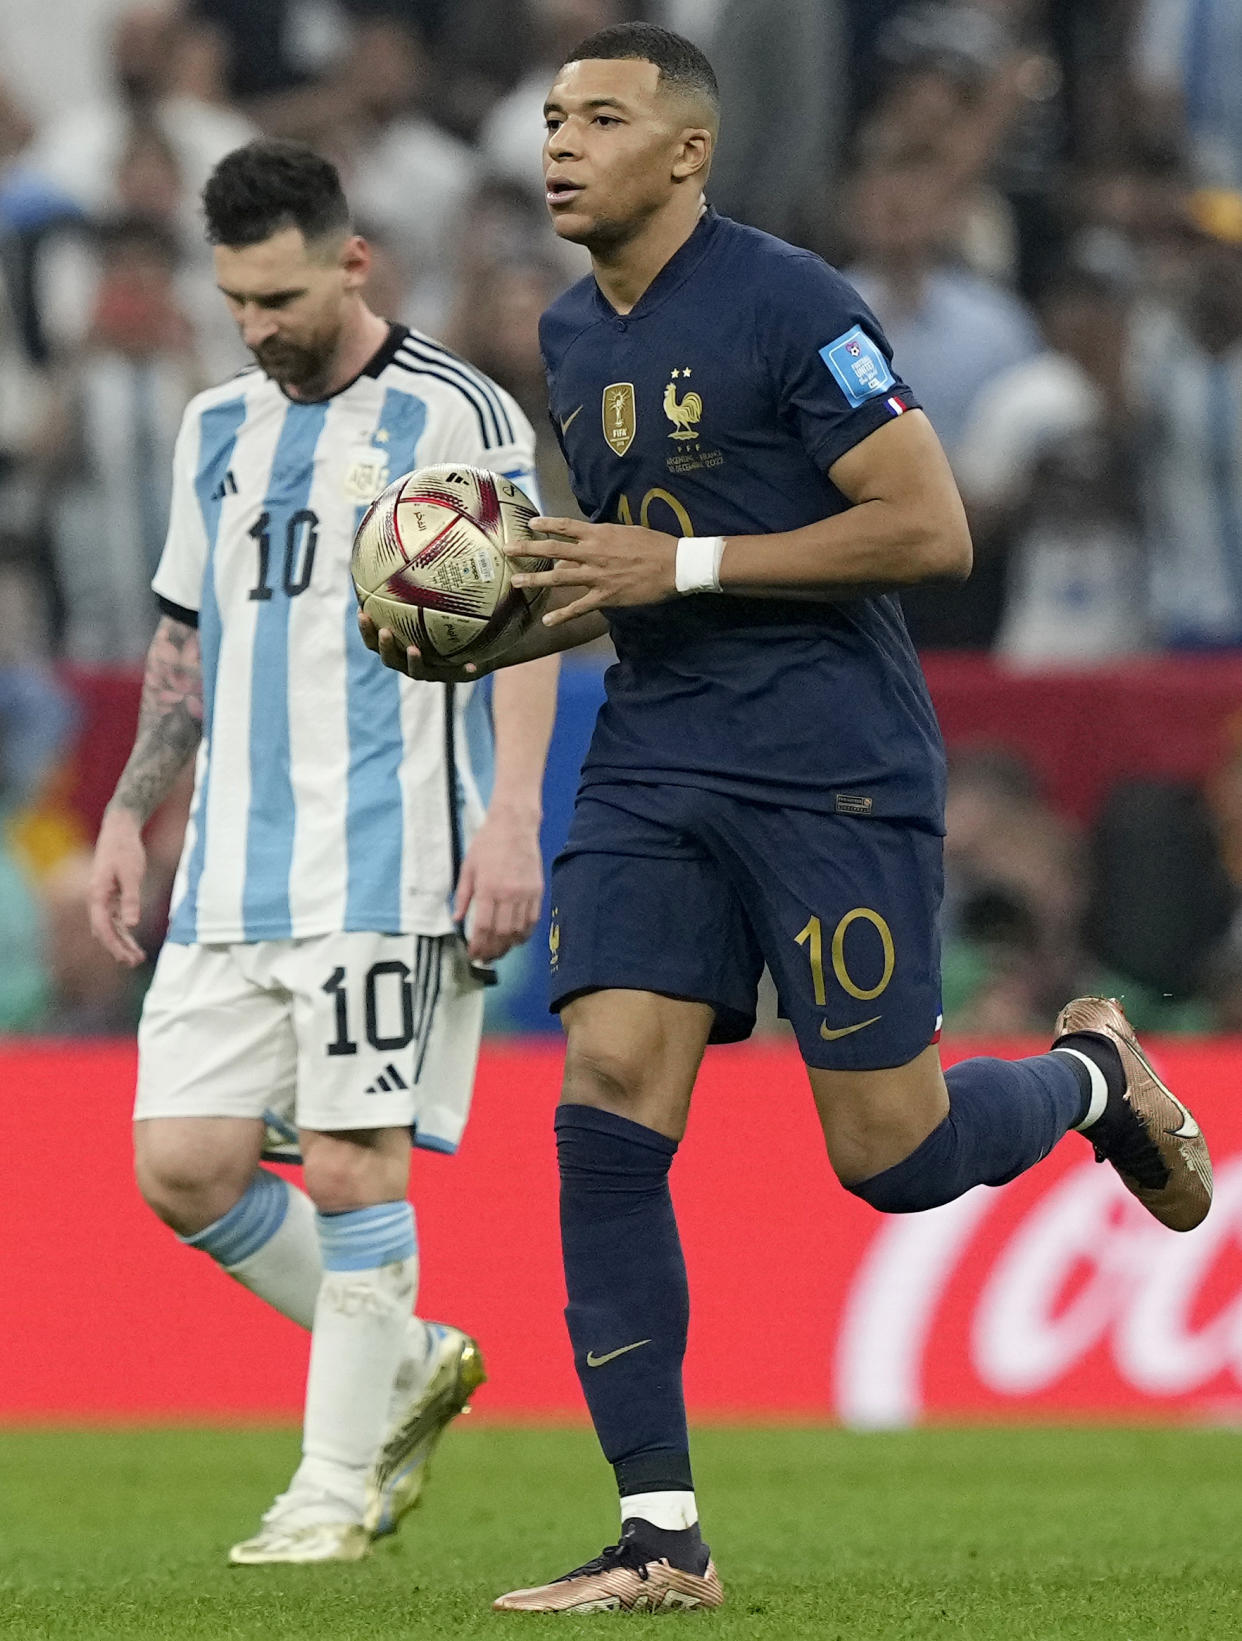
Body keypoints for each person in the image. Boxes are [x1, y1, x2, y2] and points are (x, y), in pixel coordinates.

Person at [362, 24, 1213, 1616]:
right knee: (606, 1090)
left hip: (830, 762)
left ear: (685, 153)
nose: (560, 144)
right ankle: (658, 1534)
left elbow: (927, 523)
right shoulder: (571, 330)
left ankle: (1091, 1073)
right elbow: (632, 567)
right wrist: (485, 617)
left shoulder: (793, 302)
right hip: (661, 756)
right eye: (551, 118)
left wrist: (668, 572)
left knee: (887, 1157)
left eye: (600, 118)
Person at [87, 139, 560, 1565]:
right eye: (235, 300)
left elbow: (528, 612)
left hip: (387, 855)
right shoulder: (215, 424)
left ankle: (331, 1489)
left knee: (355, 1164)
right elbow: (185, 633)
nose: (258, 328)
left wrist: (516, 812)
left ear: (352, 260)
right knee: (180, 1162)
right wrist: (129, 807)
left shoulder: (456, 413)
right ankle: (404, 1357)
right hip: (232, 866)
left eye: (280, 296)